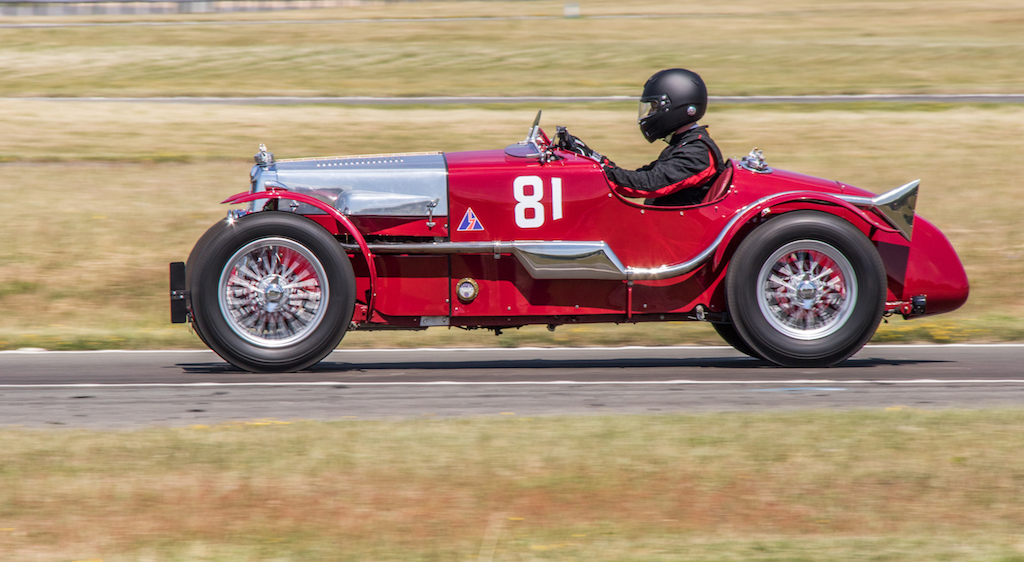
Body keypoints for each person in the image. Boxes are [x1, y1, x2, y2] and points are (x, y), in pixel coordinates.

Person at [572, 69, 725, 206]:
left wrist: (601, 171)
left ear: (677, 106)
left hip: (675, 232)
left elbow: (649, 184)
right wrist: (594, 159)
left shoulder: (697, 152)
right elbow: (639, 177)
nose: (650, 113)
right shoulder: (685, 144)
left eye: (654, 107)